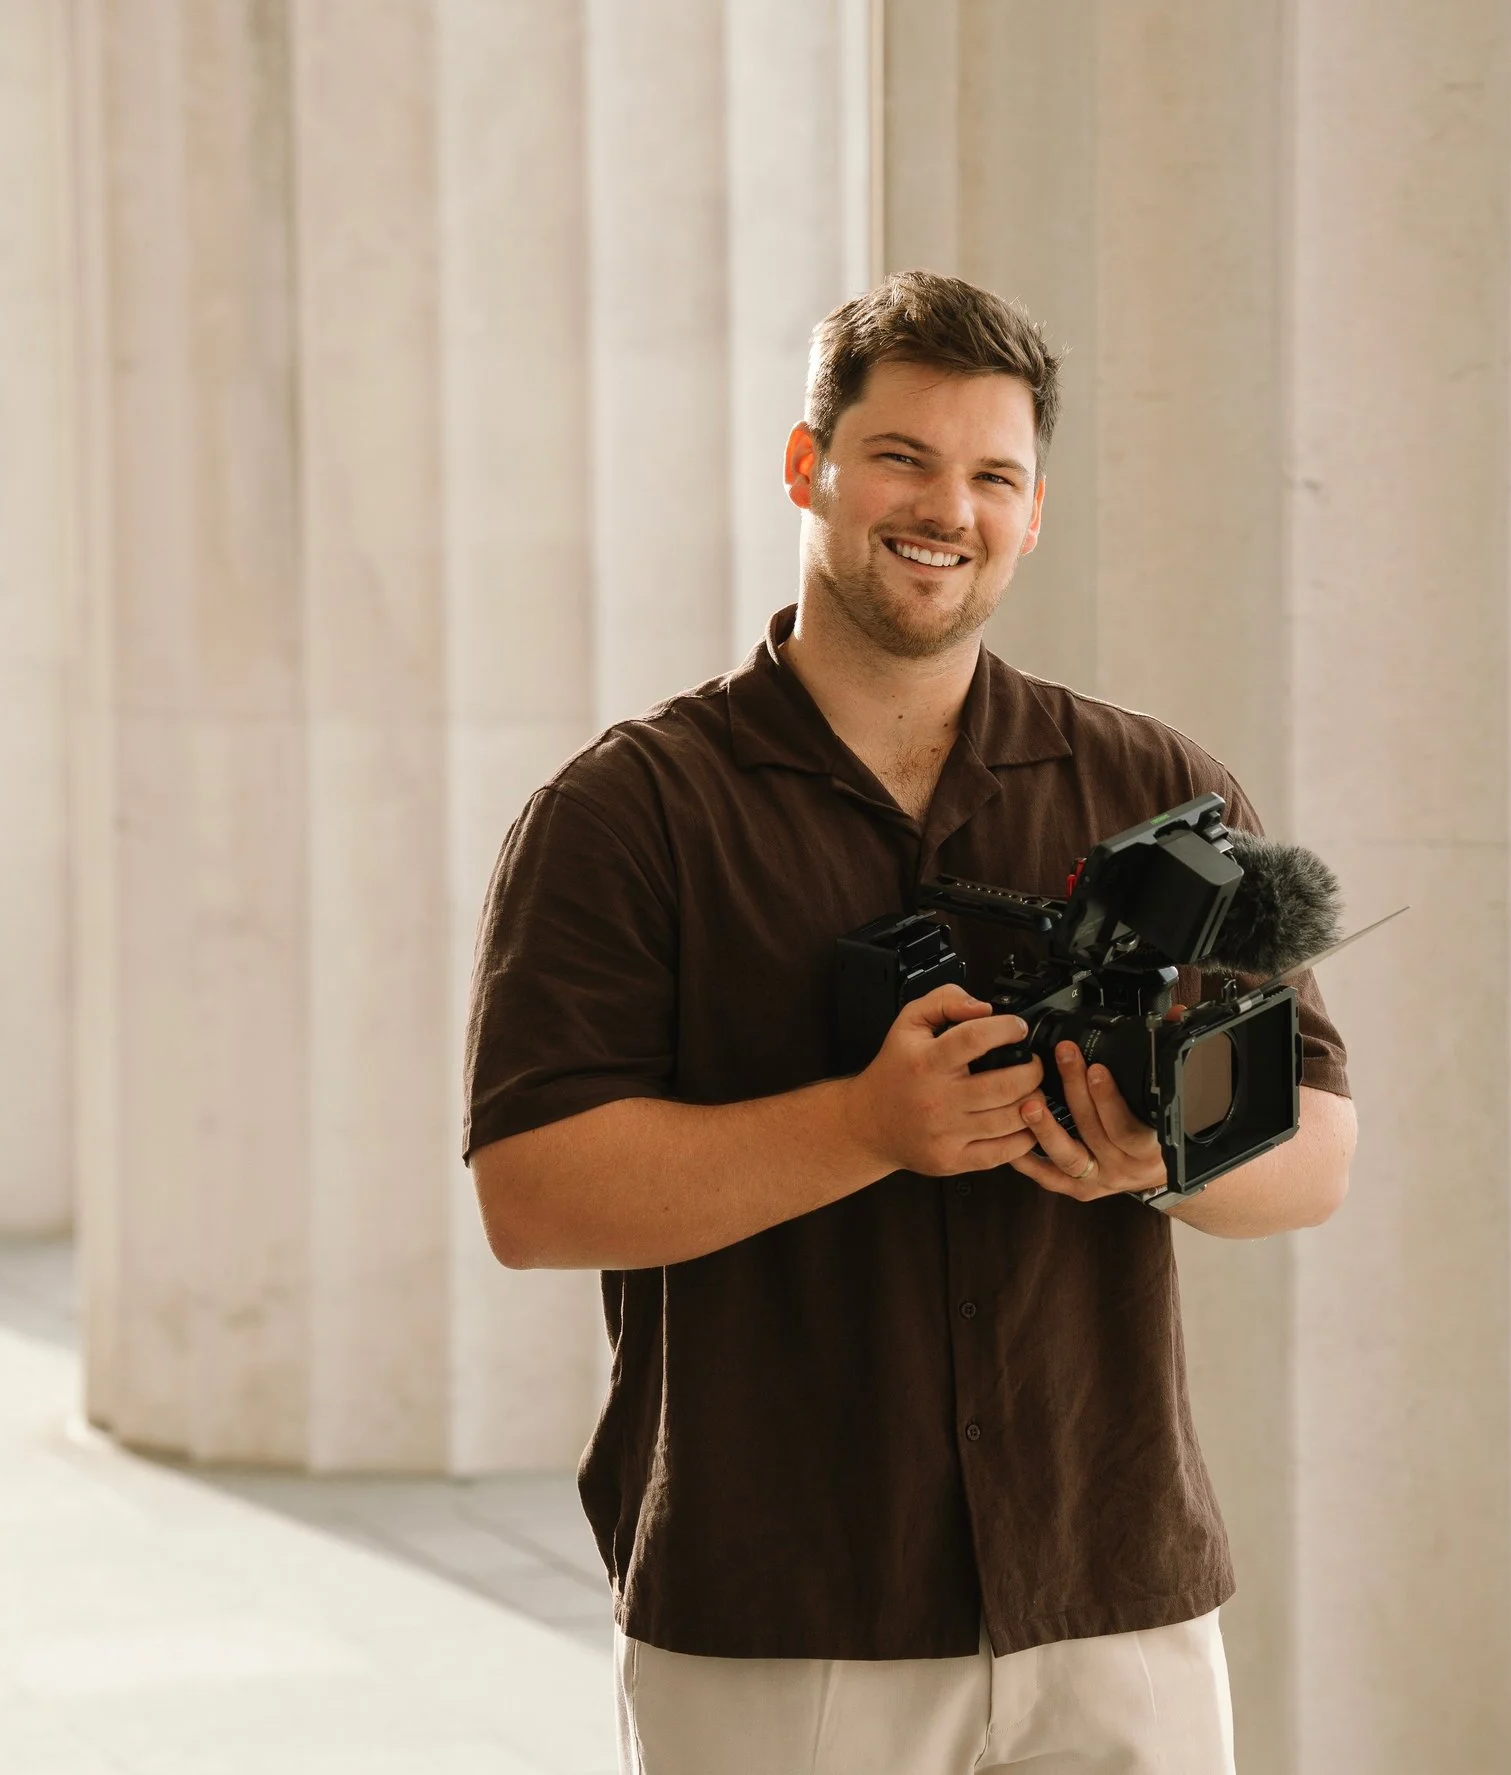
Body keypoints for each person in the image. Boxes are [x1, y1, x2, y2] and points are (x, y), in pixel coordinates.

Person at [463, 270, 1358, 1774]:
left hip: (1112, 1603)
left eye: (992, 475)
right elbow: (532, 1195)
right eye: (903, 458)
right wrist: (866, 1124)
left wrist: (1158, 1156)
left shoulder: (1156, 788)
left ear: (1034, 509)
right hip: (782, 1617)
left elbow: (1319, 1150)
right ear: (808, 465)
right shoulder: (624, 815)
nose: (947, 507)